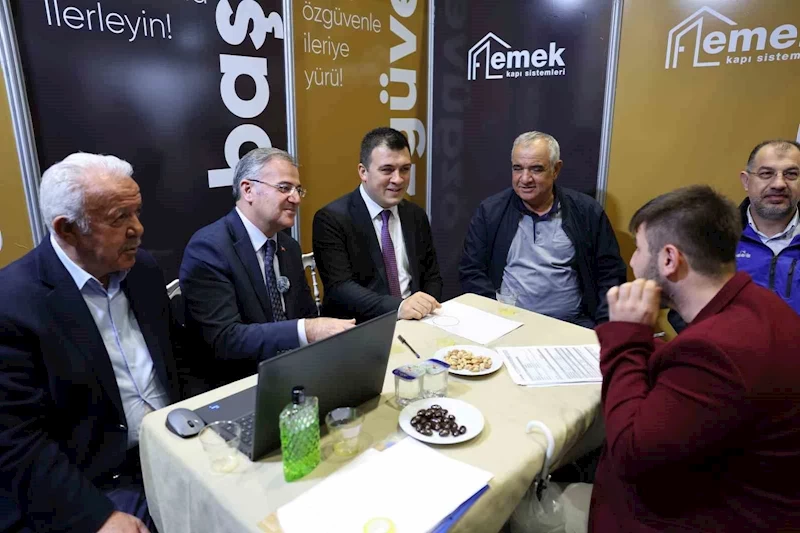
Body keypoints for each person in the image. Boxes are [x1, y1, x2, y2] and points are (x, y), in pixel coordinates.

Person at [590, 185, 800, 531]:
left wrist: (626, 337)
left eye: (639, 249)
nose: (632, 262)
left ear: (669, 259)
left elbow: (630, 454)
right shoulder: (757, 304)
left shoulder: (717, 350)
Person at [0, 153, 188, 532]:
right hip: (96, 478)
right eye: (119, 218)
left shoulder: (143, 270)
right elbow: (16, 439)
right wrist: (96, 516)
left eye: (137, 212)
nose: (138, 229)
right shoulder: (13, 303)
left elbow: (179, 358)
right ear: (67, 229)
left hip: (175, 443)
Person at [180, 148, 354, 387]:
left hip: (295, 376)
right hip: (238, 384)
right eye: (284, 188)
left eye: (298, 189)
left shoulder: (288, 247)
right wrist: (307, 330)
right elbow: (224, 339)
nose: (296, 199)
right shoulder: (209, 249)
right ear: (248, 190)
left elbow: (306, 314)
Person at [459, 131, 626, 327]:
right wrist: (495, 316)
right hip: (508, 322)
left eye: (536, 169)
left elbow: (610, 274)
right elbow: (471, 271)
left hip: (572, 324)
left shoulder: (587, 212)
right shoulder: (490, 212)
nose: (525, 179)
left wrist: (604, 327)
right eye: (518, 168)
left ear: (556, 170)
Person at [667, 139, 800, 334]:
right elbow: (681, 309)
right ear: (746, 181)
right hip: (728, 350)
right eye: (766, 173)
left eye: (791, 174)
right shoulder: (711, 237)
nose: (779, 184)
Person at [313, 127, 443, 323]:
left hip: (417, 322)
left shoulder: (415, 215)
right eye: (387, 170)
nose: (398, 179)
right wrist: (399, 308)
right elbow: (341, 288)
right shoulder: (331, 219)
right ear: (363, 172)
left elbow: (431, 276)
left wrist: (426, 309)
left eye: (405, 169)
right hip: (360, 326)